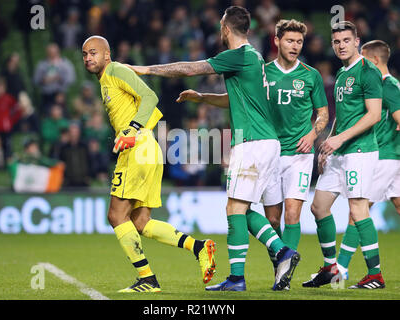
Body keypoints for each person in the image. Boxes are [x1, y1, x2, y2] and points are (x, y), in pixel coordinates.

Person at [128, 6, 300, 291]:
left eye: (221, 27)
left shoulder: (237, 55)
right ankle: (278, 253)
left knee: (234, 208)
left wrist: (146, 69)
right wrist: (202, 97)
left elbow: (191, 68)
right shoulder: (254, 58)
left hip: (252, 142)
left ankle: (250, 271)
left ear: (226, 28)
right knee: (240, 209)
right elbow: (236, 99)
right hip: (267, 143)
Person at [82, 35, 216, 293]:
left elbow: (150, 96)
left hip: (137, 146)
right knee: (140, 223)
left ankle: (147, 279)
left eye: (94, 52)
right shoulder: (105, 80)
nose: (89, 57)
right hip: (147, 148)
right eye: (85, 54)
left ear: (107, 55)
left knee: (116, 216)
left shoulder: (115, 70)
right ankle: (199, 247)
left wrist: (131, 129)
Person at [302, 21, 385, 289]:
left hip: (360, 152)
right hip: (339, 153)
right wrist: (328, 142)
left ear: (357, 41)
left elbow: (373, 115)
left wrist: (340, 139)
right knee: (318, 207)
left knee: (358, 209)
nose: (341, 45)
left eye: (346, 40)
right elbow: (342, 115)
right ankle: (330, 267)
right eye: (336, 42)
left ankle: (375, 275)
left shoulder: (368, 71)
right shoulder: (341, 74)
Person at [247, 20, 329, 277]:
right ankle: (281, 262)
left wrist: (313, 133)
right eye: (290, 41)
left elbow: (323, 114)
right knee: (273, 220)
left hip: (299, 155)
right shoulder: (263, 73)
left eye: (299, 42)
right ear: (277, 41)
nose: (295, 46)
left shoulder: (310, 75)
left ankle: (286, 273)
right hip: (269, 153)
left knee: (293, 214)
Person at [336, 40, 400, 283]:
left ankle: (340, 268)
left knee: (357, 211)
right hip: (393, 156)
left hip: (384, 157)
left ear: (372, 61)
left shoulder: (387, 85)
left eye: (362, 59)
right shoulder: (390, 84)